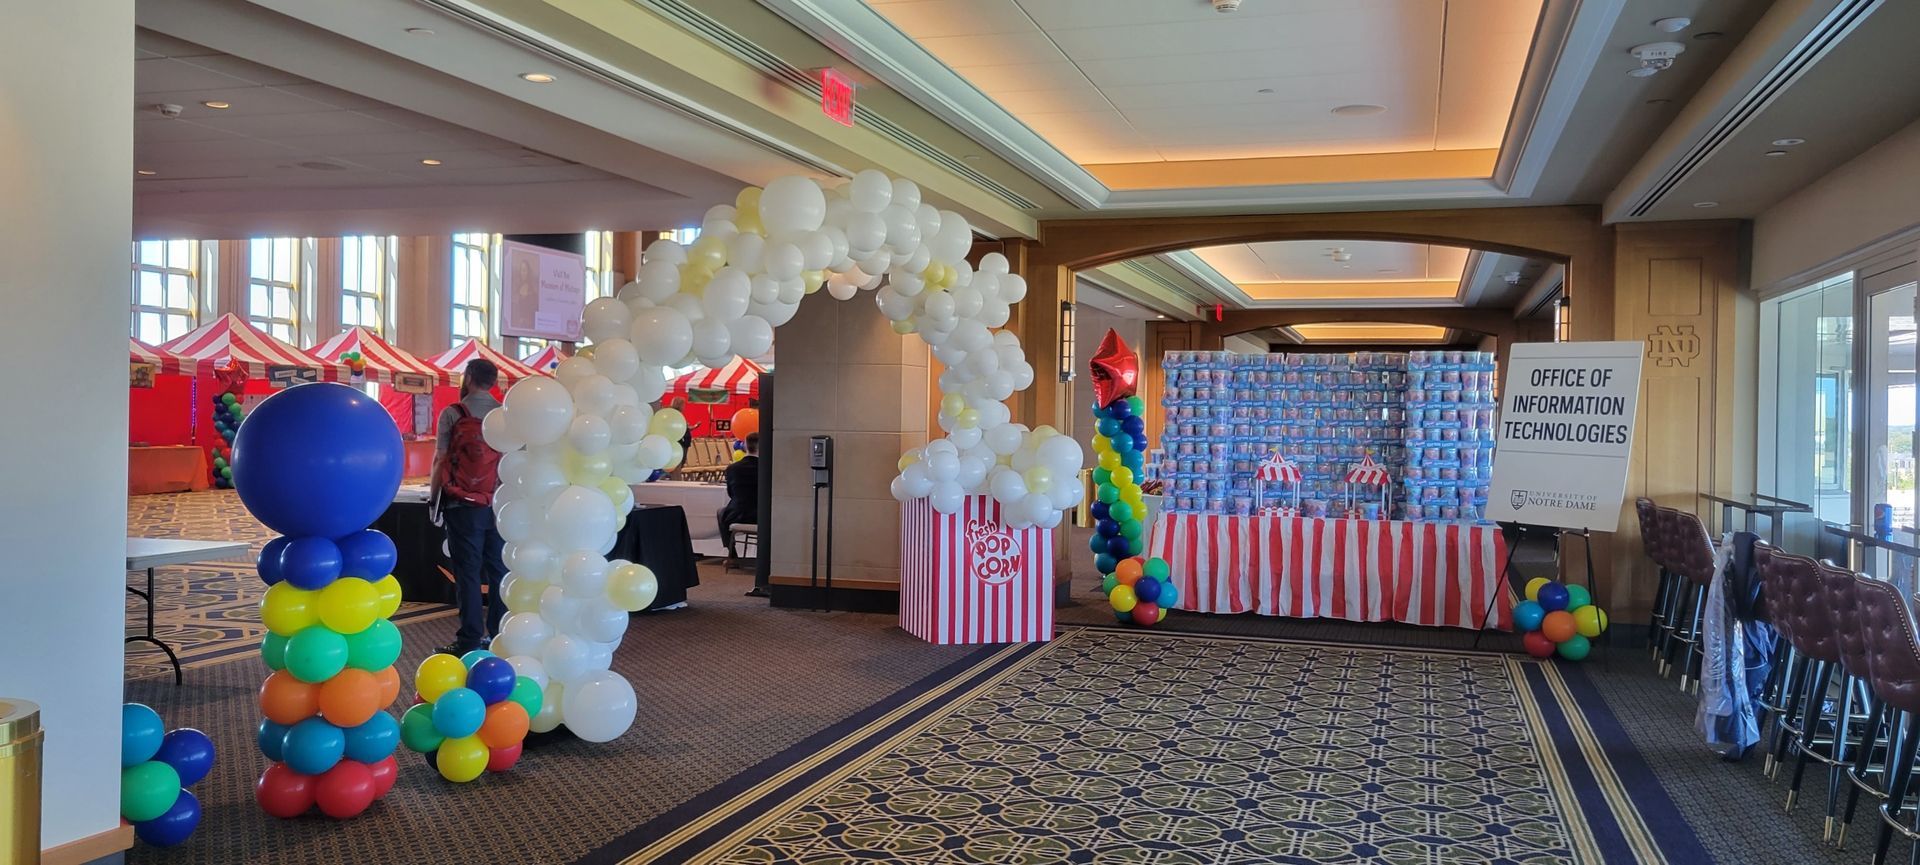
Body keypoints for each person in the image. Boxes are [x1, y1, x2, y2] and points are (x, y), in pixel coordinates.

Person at [431, 358, 506, 656]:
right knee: (498, 570)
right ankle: (499, 635)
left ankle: (470, 638)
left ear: (470, 377)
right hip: (498, 503)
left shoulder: (453, 413)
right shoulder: (505, 416)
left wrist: (434, 498)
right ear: (494, 382)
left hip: (462, 503)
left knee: (468, 573)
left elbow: (440, 459)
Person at [718, 433, 763, 596]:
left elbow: (731, 493)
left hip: (737, 514)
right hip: (761, 516)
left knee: (721, 512)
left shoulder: (732, 468)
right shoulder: (767, 468)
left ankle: (732, 555)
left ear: (745, 446)